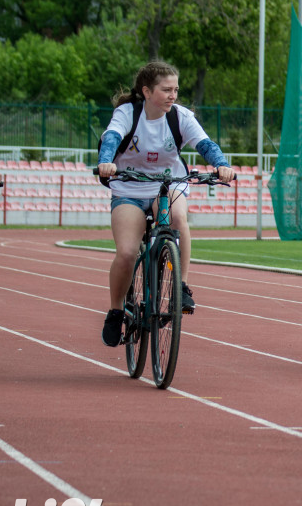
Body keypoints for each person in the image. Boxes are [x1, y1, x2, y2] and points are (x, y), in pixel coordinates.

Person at [97, 61, 235, 348]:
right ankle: (116, 310)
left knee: (177, 219)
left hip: (169, 183)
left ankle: (181, 288)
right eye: (166, 89)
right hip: (129, 187)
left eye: (176, 89)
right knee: (126, 252)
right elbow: (111, 137)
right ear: (147, 91)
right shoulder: (127, 114)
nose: (173, 95)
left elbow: (205, 144)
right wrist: (105, 162)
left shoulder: (181, 117)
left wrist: (221, 165)